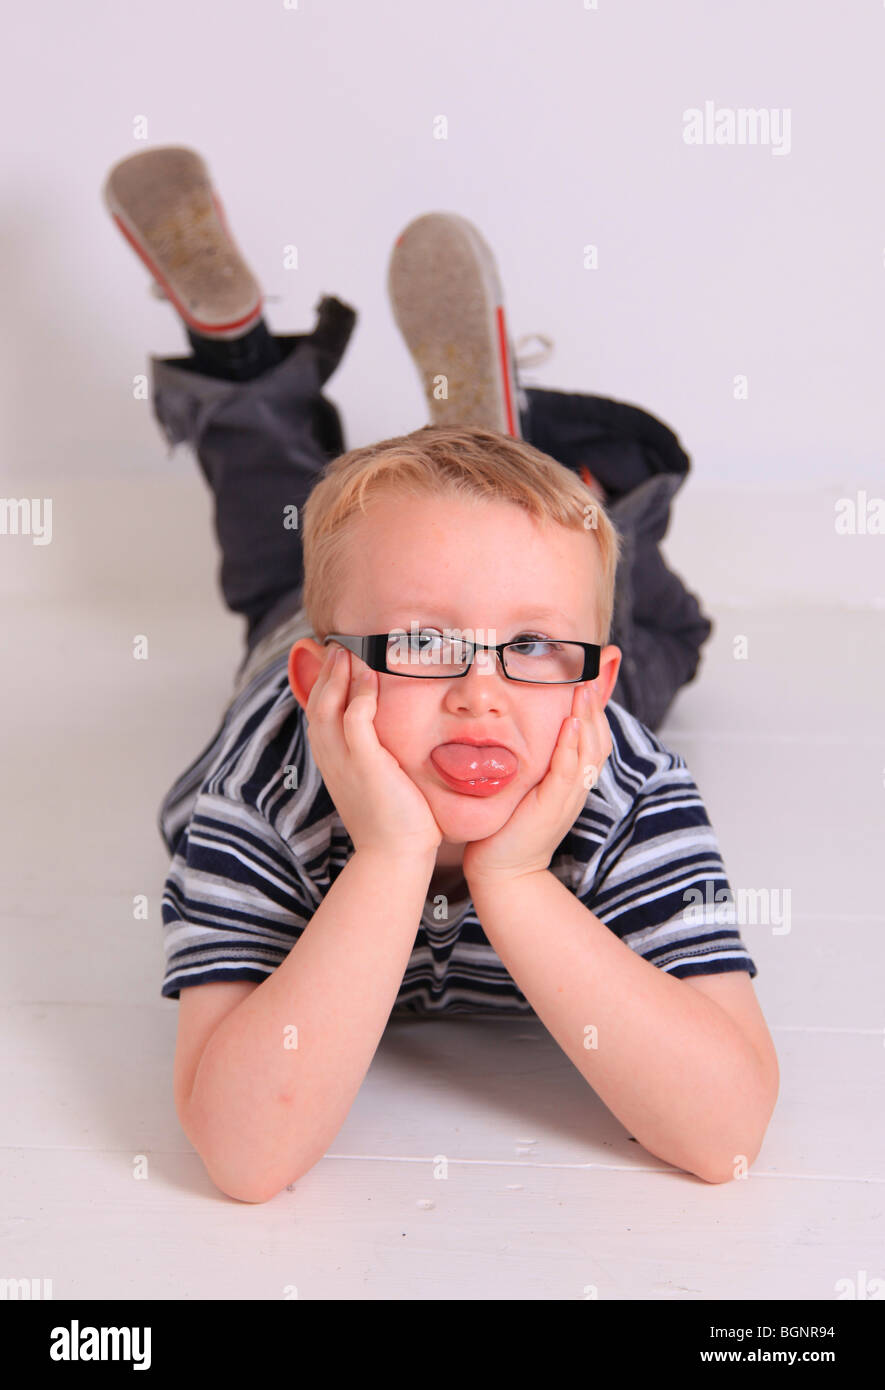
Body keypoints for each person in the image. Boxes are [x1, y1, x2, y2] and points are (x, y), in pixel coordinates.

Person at [104, 146, 778, 1203]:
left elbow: (726, 1132)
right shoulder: (260, 801)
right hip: (325, 624)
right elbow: (245, 1154)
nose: (481, 693)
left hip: (387, 620)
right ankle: (477, 446)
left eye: (534, 649)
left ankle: (281, 384)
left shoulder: (623, 786)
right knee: (314, 553)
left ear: (596, 694)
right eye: (427, 649)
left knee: (627, 616)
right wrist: (386, 858)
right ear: (319, 684)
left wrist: (512, 881)